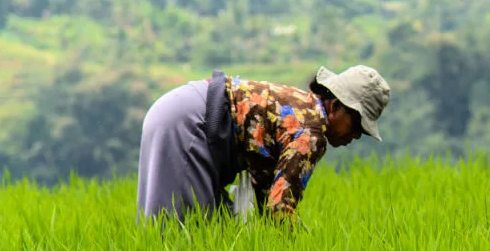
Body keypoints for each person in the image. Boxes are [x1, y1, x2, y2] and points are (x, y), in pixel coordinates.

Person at [137, 65, 390, 224]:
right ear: (335, 107)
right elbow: (280, 210)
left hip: (180, 109)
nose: (356, 136)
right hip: (190, 124)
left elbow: (268, 195)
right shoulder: (311, 133)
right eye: (356, 125)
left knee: (218, 231)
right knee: (184, 235)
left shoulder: (302, 108)